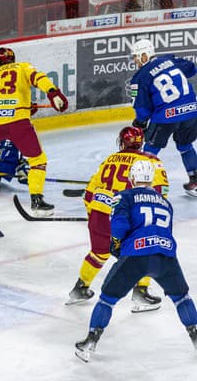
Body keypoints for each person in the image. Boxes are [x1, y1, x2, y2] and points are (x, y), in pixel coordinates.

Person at [74, 160, 197, 362]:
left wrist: (116, 242)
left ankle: (90, 342)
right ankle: (195, 336)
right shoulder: (166, 202)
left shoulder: (124, 196)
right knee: (182, 297)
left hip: (136, 256)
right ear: (151, 180)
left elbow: (119, 225)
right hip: (165, 256)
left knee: (107, 299)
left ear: (132, 178)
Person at [67, 126, 169, 313]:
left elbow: (89, 192)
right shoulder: (151, 160)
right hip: (126, 214)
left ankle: (80, 288)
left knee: (99, 252)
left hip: (99, 211)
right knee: (145, 250)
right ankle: (141, 291)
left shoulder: (109, 159)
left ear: (122, 142)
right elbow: (160, 193)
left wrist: (94, 215)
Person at [0, 47, 68, 217]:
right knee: (37, 160)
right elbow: (39, 78)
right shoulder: (22, 67)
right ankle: (37, 202)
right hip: (17, 122)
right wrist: (53, 93)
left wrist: (27, 107)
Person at [129, 38, 197, 197]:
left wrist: (140, 122)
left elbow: (143, 109)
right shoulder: (168, 59)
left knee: (149, 151)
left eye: (136, 56)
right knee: (185, 144)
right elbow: (192, 68)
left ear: (145, 56)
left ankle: (140, 183)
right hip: (191, 110)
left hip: (166, 117)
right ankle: (195, 181)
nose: (135, 60)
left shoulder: (140, 77)